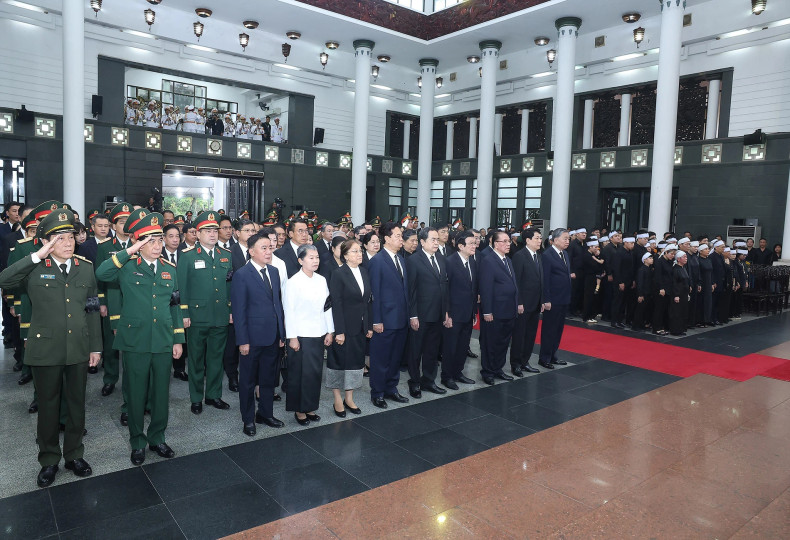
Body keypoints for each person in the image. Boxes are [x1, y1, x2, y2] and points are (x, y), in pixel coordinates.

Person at [0, 208, 102, 488]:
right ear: (46, 241)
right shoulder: (33, 267)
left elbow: (92, 309)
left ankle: (73, 454)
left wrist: (96, 347)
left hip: (79, 348)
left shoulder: (85, 267)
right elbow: (4, 280)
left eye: (70, 236)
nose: (68, 243)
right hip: (45, 350)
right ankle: (48, 460)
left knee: (76, 405)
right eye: (59, 238)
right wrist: (36, 256)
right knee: (48, 407)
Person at [96, 211, 184, 465]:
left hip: (163, 339)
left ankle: (157, 437)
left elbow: (175, 305)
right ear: (139, 243)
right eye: (150, 241)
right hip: (135, 340)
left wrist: (178, 339)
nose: (157, 246)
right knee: (135, 393)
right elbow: (101, 274)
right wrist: (129, 250)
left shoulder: (170, 269)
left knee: (160, 394)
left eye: (159, 240)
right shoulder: (125, 267)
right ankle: (137, 440)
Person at [177, 210, 233, 414]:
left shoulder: (226, 256)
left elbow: (229, 286)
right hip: (196, 317)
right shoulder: (188, 256)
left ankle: (213, 395)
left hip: (219, 316)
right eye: (207, 230)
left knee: (216, 359)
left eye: (214, 230)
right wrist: (184, 314)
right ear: (197, 234)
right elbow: (181, 288)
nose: (212, 234)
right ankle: (196, 398)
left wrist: (230, 309)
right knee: (196, 360)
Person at [231, 233, 285, 436]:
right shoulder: (242, 275)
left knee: (268, 378)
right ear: (251, 251)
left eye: (270, 247)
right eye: (263, 248)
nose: (268, 251)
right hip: (251, 339)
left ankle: (266, 413)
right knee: (247, 380)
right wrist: (242, 340)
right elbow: (239, 310)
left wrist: (282, 332)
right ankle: (248, 419)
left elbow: (277, 305)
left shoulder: (274, 271)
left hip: (272, 336)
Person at [283, 245, 333, 425]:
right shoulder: (293, 282)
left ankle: (310, 407)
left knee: (314, 373)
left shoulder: (321, 280)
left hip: (318, 333)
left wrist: (330, 330)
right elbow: (289, 311)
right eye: (311, 257)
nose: (315, 261)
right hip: (301, 335)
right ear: (300, 261)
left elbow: (327, 307)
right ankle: (299, 410)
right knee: (299, 374)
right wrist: (292, 337)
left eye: (317, 257)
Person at [368, 222, 410, 409]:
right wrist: (376, 320)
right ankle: (377, 392)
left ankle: (391, 388)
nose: (401, 239)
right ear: (387, 238)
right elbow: (374, 294)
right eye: (398, 236)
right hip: (384, 320)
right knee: (381, 359)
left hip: (401, 318)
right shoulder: (377, 261)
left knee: (395, 358)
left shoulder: (401, 259)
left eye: (401, 236)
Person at [94, 202, 133, 401]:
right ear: (113, 225)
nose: (126, 226)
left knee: (131, 346)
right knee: (110, 344)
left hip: (134, 302)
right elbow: (99, 276)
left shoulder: (139, 246)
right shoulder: (105, 246)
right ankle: (109, 378)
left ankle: (130, 379)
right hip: (111, 299)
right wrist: (102, 302)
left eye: (129, 222)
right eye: (122, 222)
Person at [327, 240, 371, 416]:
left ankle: (349, 398)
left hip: (359, 327)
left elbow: (367, 302)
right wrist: (339, 331)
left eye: (360, 251)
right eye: (354, 252)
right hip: (344, 328)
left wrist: (368, 325)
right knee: (338, 363)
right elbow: (335, 304)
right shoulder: (338, 274)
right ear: (345, 255)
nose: (359, 254)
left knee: (355, 363)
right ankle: (337, 399)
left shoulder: (364, 272)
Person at [405, 227, 450, 398]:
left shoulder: (441, 258)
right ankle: (414, 382)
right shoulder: (414, 260)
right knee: (416, 351)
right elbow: (411, 291)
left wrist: (446, 311)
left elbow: (445, 286)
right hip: (421, 315)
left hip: (438, 314)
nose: (436, 242)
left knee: (432, 350)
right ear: (422, 242)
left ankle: (429, 380)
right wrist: (413, 315)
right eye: (433, 239)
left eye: (437, 239)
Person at [478, 230, 518, 384]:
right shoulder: (488, 260)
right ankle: (487, 371)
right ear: (495, 244)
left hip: (508, 309)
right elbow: (486, 288)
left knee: (503, 342)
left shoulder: (507, 260)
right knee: (490, 343)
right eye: (505, 241)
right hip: (494, 311)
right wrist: (487, 311)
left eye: (509, 241)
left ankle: (498, 368)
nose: (508, 244)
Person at [441, 230, 478, 388]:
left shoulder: (473, 262)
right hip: (454, 313)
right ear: (460, 246)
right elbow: (445, 290)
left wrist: (474, 311)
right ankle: (447, 376)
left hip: (468, 312)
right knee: (451, 346)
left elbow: (474, 289)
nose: (474, 246)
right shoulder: (449, 262)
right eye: (471, 243)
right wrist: (447, 313)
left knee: (463, 345)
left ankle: (458, 372)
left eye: (475, 243)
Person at [510, 227, 544, 376]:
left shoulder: (538, 256)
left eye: (540, 238)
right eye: (537, 238)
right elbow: (516, 281)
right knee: (519, 335)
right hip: (523, 304)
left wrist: (542, 300)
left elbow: (540, 281)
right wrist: (519, 302)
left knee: (530, 335)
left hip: (535, 303)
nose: (540, 240)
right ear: (528, 240)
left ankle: (525, 362)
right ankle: (516, 364)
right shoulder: (519, 256)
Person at [538, 228, 572, 370]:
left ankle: (553, 355)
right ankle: (544, 357)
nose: (567, 241)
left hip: (563, 298)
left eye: (568, 238)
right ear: (555, 239)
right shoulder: (547, 255)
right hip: (552, 299)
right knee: (549, 329)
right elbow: (545, 279)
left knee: (558, 329)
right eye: (565, 238)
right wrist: (546, 299)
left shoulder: (564, 254)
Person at [611, 237, 636, 329]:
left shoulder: (630, 253)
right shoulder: (619, 253)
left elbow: (631, 268)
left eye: (633, 243)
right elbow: (616, 269)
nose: (632, 245)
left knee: (624, 302)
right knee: (618, 301)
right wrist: (620, 282)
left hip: (628, 281)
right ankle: (614, 321)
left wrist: (633, 280)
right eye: (631, 243)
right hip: (620, 281)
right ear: (625, 242)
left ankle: (620, 320)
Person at [669, 251, 691, 336]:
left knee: (683, 312)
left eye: (686, 257)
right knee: (676, 313)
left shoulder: (683, 268)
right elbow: (675, 283)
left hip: (684, 294)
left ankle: (681, 329)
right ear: (678, 259)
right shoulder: (676, 269)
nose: (686, 258)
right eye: (684, 257)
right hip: (678, 294)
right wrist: (676, 295)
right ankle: (675, 330)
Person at [633, 252, 654, 331]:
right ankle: (636, 326)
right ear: (645, 260)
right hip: (643, 293)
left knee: (645, 310)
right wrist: (640, 294)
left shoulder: (649, 269)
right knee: (640, 310)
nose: (652, 260)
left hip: (648, 293)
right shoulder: (642, 269)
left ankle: (642, 324)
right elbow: (640, 283)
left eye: (652, 258)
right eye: (650, 258)